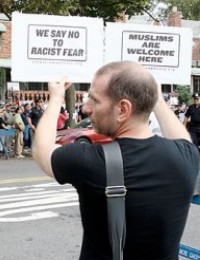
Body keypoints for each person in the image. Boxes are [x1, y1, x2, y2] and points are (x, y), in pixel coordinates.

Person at [33, 61, 199, 260]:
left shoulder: (91, 161)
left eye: (94, 100)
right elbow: (181, 137)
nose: (86, 108)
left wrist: (56, 98)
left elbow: (42, 150)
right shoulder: (187, 156)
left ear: (123, 109)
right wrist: (156, 99)